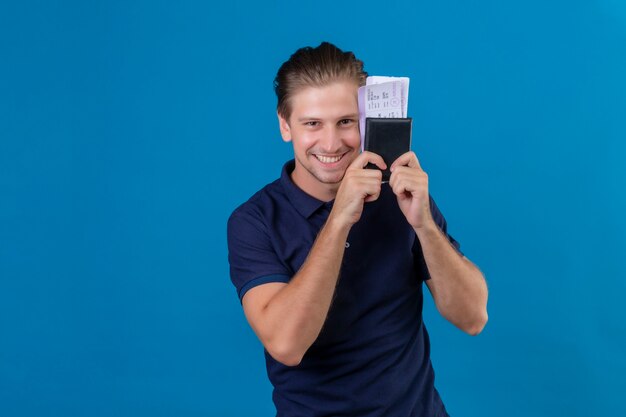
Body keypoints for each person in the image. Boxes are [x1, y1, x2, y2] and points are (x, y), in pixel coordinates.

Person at [227, 42, 489, 417]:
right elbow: (287, 344)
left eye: (346, 122)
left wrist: (423, 225)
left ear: (366, 121)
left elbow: (473, 317)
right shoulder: (253, 221)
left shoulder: (402, 196)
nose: (331, 143)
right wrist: (339, 220)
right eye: (312, 123)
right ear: (286, 126)